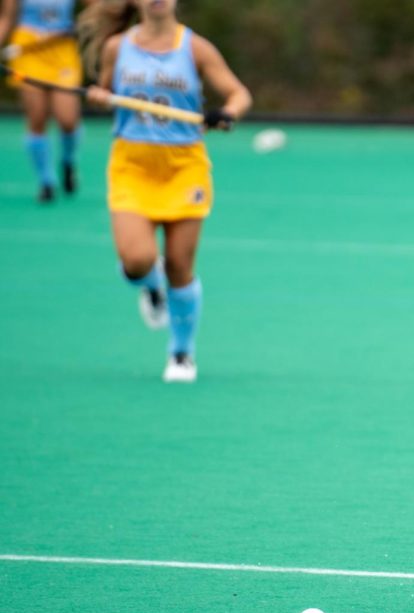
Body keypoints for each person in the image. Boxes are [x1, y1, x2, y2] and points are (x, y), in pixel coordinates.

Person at [78, 0, 250, 383]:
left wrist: (228, 114)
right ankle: (150, 287)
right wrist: (100, 97)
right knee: (137, 260)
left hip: (183, 168)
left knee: (179, 265)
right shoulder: (117, 48)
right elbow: (106, 91)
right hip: (131, 165)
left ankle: (181, 352)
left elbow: (239, 94)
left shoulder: (195, 48)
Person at [0, 0, 87, 202]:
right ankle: (46, 181)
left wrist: (81, 24)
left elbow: (100, 9)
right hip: (28, 52)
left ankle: (68, 160)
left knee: (68, 120)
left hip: (61, 51)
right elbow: (6, 18)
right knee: (37, 119)